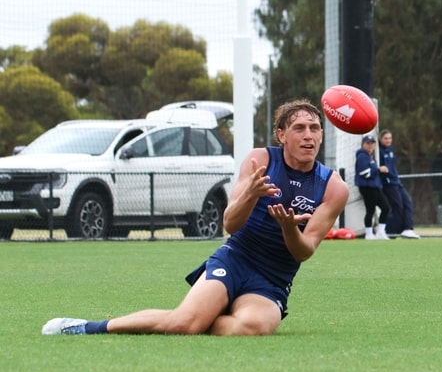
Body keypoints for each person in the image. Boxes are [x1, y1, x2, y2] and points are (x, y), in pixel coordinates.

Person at [42, 99, 349, 335]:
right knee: (183, 325)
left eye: (315, 128)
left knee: (251, 329)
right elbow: (230, 224)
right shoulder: (260, 160)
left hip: (273, 279)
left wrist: (288, 229)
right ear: (282, 134)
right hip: (235, 258)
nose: (308, 135)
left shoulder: (333, 187)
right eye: (299, 128)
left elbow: (304, 250)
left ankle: (205, 314)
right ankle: (86, 326)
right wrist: (251, 195)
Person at [378, 129, 420, 239]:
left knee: (408, 202)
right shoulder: (378, 152)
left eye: (390, 138)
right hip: (388, 183)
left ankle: (408, 229)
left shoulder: (390, 150)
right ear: (380, 139)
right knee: (397, 207)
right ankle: (391, 231)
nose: (388, 140)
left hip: (396, 181)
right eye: (385, 138)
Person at [354, 134, 391, 240]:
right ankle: (369, 233)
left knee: (386, 207)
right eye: (368, 143)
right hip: (367, 187)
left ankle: (380, 232)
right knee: (370, 210)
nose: (370, 146)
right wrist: (378, 170)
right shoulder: (362, 156)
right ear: (363, 144)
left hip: (375, 186)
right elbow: (364, 173)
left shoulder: (371, 156)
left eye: (372, 143)